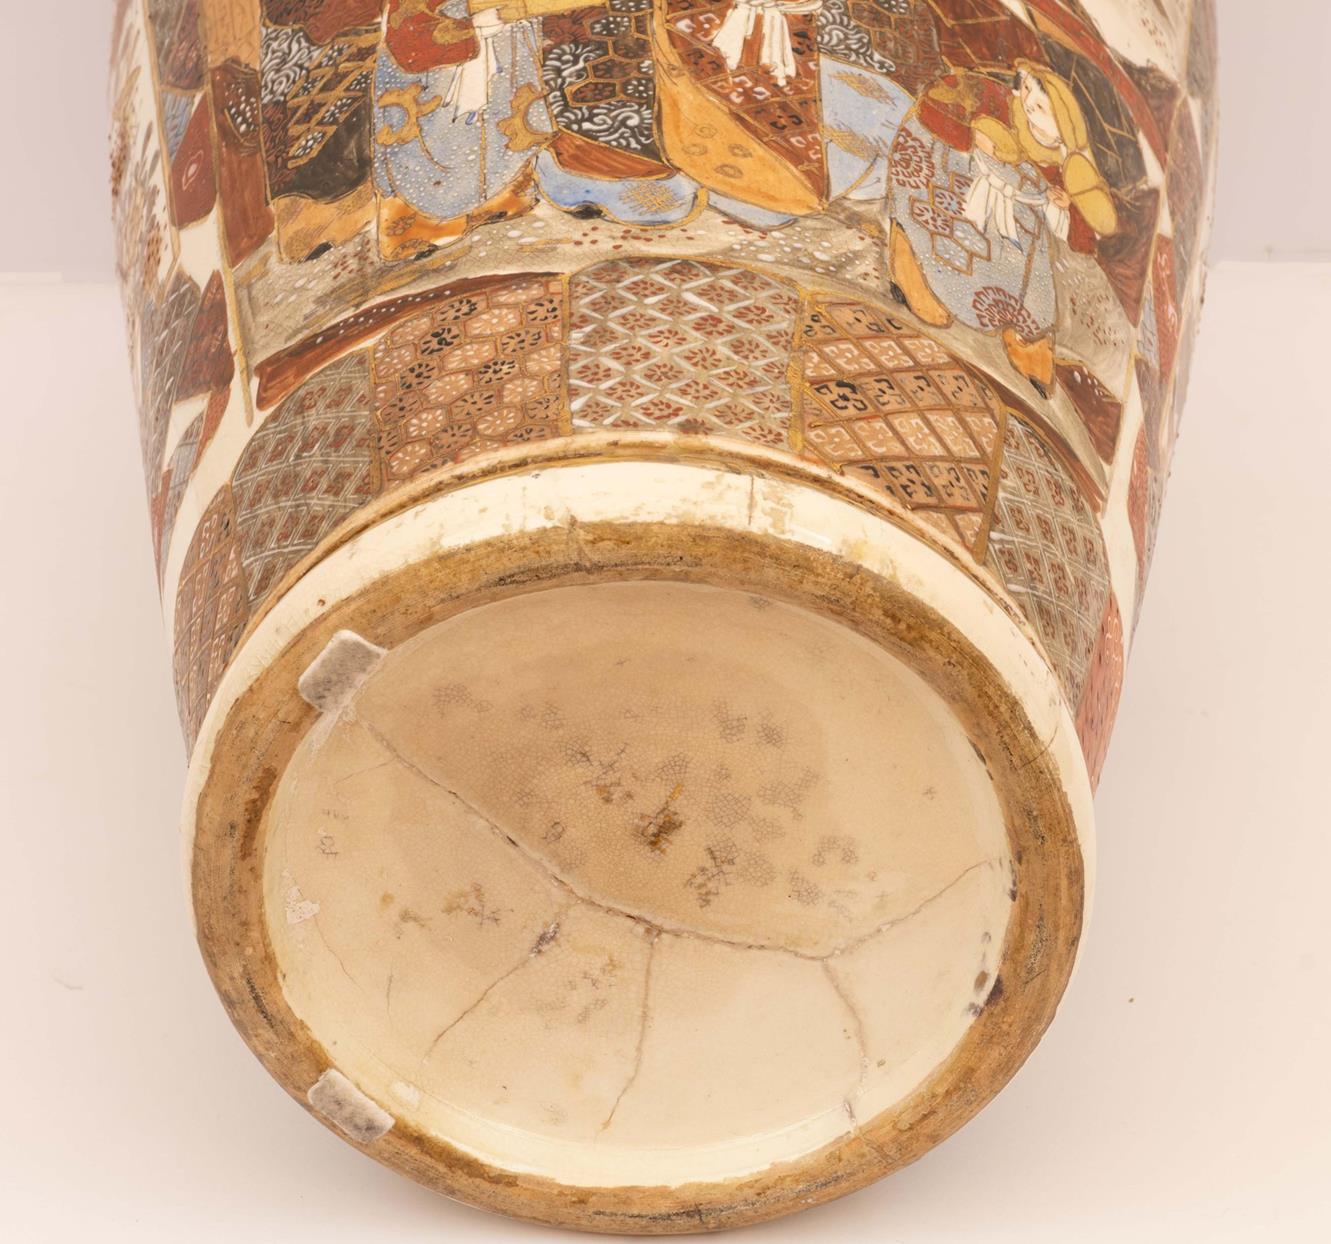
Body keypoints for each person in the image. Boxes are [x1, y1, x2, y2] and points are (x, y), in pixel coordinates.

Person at [886, 60, 1117, 396]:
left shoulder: (1065, 164)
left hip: (1013, 221)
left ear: (1064, 124)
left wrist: (1062, 204)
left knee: (1028, 272)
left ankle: (1029, 351)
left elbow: (1079, 234)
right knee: (936, 219)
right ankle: (913, 277)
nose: (1028, 106)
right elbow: (941, 100)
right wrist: (970, 136)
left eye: (1041, 108)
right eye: (1027, 92)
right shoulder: (995, 101)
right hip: (953, 181)